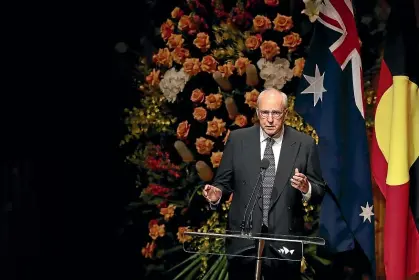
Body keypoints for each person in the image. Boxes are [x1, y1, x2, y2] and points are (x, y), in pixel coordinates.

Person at [203, 88, 326, 280]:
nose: (269, 119)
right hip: (243, 241)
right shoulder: (238, 140)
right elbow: (223, 182)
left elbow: (319, 190)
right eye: (264, 113)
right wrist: (217, 193)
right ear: (257, 112)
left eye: (275, 113)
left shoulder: (304, 144)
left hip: (284, 242)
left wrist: (306, 188)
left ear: (285, 113)